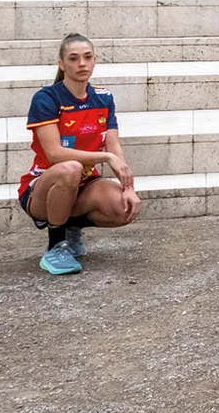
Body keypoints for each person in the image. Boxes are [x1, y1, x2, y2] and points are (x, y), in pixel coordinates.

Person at [19, 33, 142, 275]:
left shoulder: (104, 98)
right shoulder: (46, 98)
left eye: (87, 57)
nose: (82, 64)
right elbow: (55, 154)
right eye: (73, 58)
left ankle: (71, 226)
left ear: (95, 60)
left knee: (122, 208)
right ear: (62, 64)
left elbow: (113, 146)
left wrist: (128, 187)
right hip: (42, 187)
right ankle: (55, 246)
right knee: (70, 167)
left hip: (83, 185)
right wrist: (105, 158)